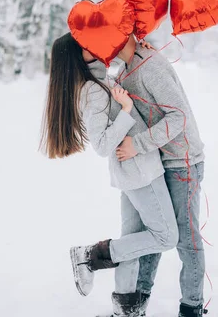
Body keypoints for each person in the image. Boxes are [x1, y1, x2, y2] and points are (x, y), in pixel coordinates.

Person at [40, 32, 178, 317]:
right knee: (166, 237)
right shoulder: (91, 90)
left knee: (131, 240)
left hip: (133, 172)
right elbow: (102, 145)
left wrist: (142, 50)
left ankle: (125, 309)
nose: (93, 43)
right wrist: (126, 110)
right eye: (84, 45)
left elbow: (122, 70)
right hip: (141, 172)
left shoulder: (99, 79)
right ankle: (90, 256)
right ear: (77, 57)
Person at [114, 35, 207, 317]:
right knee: (153, 233)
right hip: (156, 163)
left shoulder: (151, 66)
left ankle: (191, 308)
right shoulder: (123, 70)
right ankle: (138, 304)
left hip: (182, 162)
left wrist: (137, 145)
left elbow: (178, 117)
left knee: (185, 240)